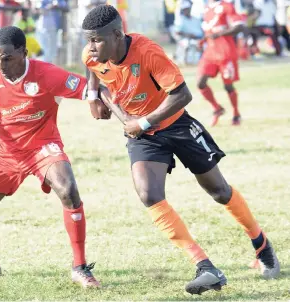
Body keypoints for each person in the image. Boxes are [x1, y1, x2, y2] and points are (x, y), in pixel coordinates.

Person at [81, 4, 280, 295]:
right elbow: (95, 74)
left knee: (219, 191)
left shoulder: (148, 52)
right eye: (88, 40)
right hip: (144, 137)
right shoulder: (93, 54)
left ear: (116, 34)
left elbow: (182, 95)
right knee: (149, 194)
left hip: (177, 125)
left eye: (96, 39)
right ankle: (205, 266)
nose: (91, 47)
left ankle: (261, 245)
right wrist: (93, 96)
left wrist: (144, 121)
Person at [0, 26, 106, 287]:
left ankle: (80, 267)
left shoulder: (48, 74)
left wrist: (98, 98)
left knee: (69, 191)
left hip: (43, 146)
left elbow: (88, 88)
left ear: (24, 53)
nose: (1, 64)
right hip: (6, 152)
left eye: (7, 58)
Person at [197, 0, 244, 126]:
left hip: (226, 53)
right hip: (210, 53)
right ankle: (217, 108)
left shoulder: (227, 6)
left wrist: (220, 34)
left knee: (228, 85)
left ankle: (236, 113)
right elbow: (209, 30)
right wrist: (203, 40)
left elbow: (240, 26)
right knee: (200, 82)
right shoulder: (207, 9)